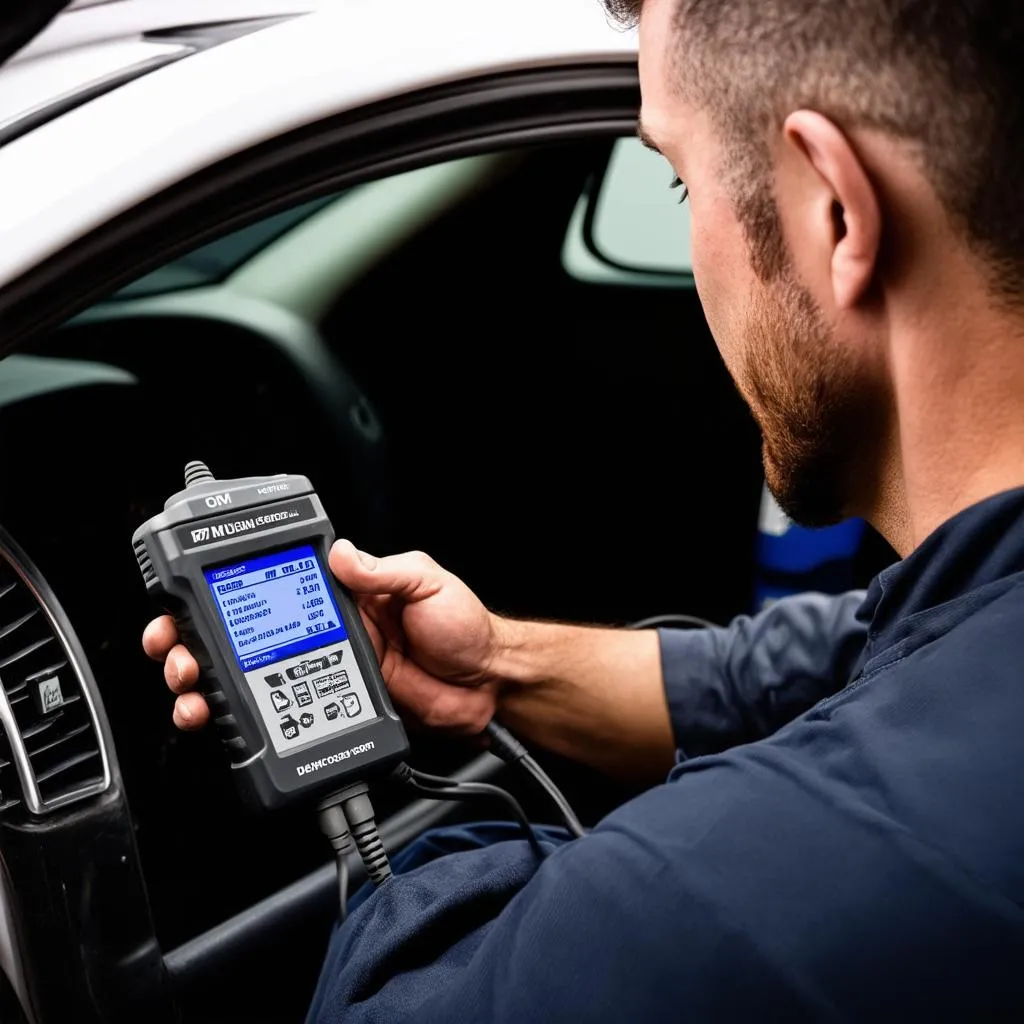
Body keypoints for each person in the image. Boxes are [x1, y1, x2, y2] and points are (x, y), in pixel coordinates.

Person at [143, 0, 1024, 1017]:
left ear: (833, 207)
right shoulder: (969, 618)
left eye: (680, 179)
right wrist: (495, 664)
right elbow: (797, 666)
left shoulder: (695, 906)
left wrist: (438, 861)